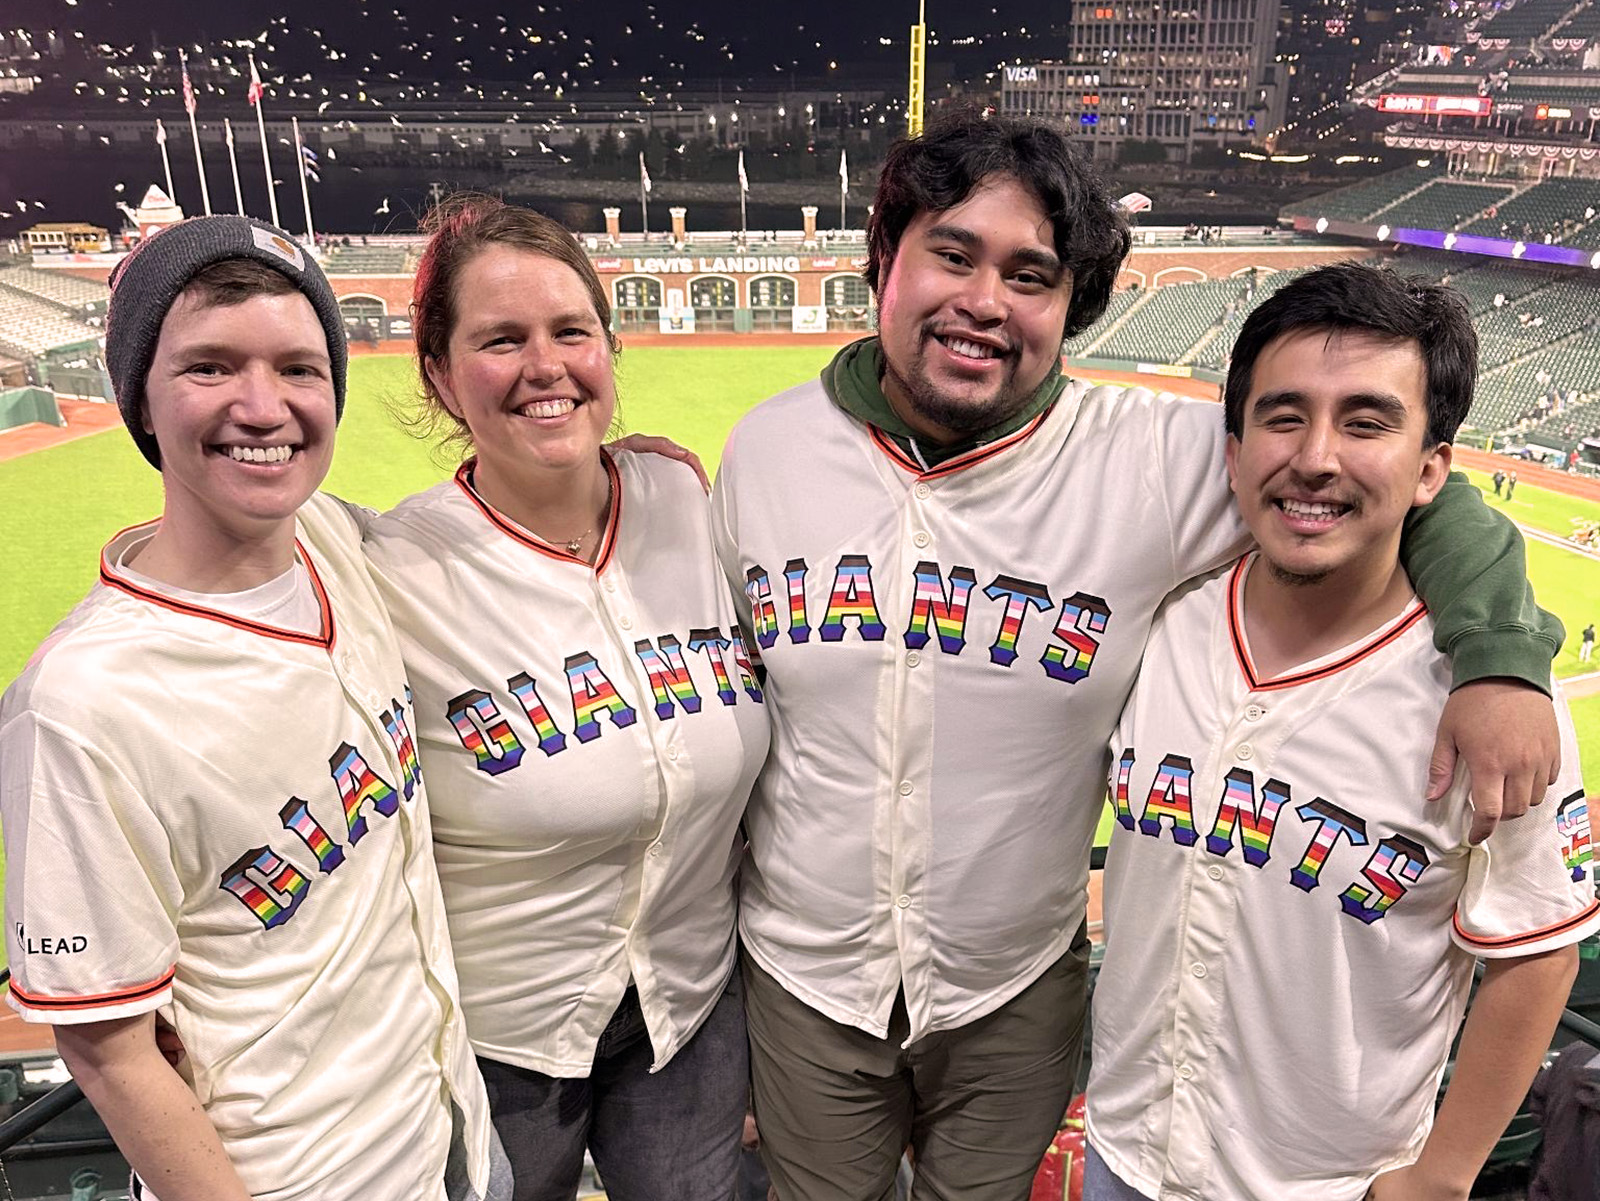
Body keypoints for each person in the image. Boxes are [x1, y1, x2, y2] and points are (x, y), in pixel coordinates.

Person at [709, 108, 1565, 1201]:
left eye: (1030, 274)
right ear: (884, 257)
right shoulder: (766, 451)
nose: (983, 300)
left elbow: (1367, 488)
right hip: (803, 979)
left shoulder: (1152, 456)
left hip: (1008, 988)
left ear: (1071, 309)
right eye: (952, 254)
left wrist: (1496, 657)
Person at [0, 215, 504, 1200]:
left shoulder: (333, 546)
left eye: (298, 368)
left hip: (443, 1124)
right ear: (137, 392)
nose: (263, 406)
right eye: (210, 367)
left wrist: (626, 473)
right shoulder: (80, 703)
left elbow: (486, 528)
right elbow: (107, 1051)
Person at [1084, 263, 1598, 1201]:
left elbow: (1536, 953)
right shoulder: (1159, 621)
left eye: (1366, 422)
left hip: (1326, 1184)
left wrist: (1440, 1178)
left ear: (1432, 469)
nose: (1315, 456)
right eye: (1284, 416)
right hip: (1125, 1152)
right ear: (1232, 450)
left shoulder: (1499, 708)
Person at [361, 196, 770, 1201]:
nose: (544, 364)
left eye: (569, 330)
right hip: (496, 1042)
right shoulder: (388, 566)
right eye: (501, 339)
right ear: (440, 374)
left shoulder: (687, 504)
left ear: (607, 347)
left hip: (689, 1013)